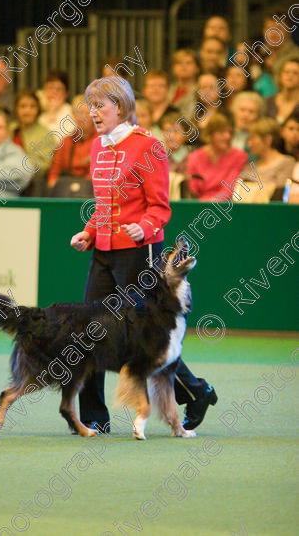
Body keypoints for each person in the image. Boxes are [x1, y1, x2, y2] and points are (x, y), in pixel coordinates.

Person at [70, 76, 218, 434]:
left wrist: (145, 227)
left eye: (99, 105)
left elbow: (160, 208)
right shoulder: (97, 146)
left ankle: (195, 391)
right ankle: (94, 417)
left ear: (119, 107)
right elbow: (104, 204)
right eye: (90, 106)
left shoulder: (148, 145)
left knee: (146, 337)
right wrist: (89, 231)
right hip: (103, 251)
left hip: (139, 252)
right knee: (91, 330)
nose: (93, 112)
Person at [187, 113, 248, 201]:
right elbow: (192, 189)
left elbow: (229, 187)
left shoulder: (239, 156)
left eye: (230, 132)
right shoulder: (195, 157)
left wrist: (213, 201)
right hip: (198, 204)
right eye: (221, 132)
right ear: (210, 134)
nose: (227, 136)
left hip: (225, 205)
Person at [47, 94, 96, 196]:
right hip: (66, 190)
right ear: (73, 115)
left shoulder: (103, 141)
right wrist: (53, 184)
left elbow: (101, 173)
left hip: (91, 191)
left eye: (86, 113)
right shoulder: (66, 141)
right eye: (79, 113)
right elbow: (54, 171)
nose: (82, 117)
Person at [10, 89, 51, 195]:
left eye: (32, 107)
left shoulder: (46, 134)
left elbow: (45, 165)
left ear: (38, 110)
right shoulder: (9, 130)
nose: (27, 111)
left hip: (30, 181)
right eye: (23, 106)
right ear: (16, 109)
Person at [243, 118, 295, 189]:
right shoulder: (250, 167)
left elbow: (279, 192)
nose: (249, 143)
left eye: (253, 138)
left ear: (268, 140)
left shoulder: (287, 163)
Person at [265, 58, 299, 125]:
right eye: (286, 72)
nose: (290, 75)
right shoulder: (268, 102)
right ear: (280, 75)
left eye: (295, 73)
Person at [168, 49, 199, 116]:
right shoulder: (167, 90)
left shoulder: (200, 91)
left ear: (197, 68)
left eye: (188, 63)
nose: (183, 66)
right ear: (173, 68)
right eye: (179, 63)